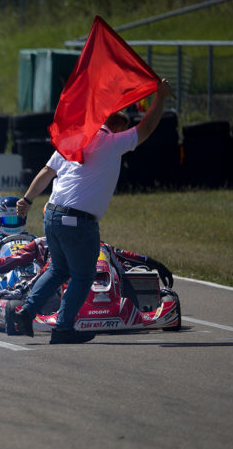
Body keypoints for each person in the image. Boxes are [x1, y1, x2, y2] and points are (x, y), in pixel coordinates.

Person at [14, 78, 174, 344]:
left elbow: (46, 172)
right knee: (83, 275)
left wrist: (27, 200)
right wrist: (161, 98)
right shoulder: (111, 143)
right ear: (117, 124)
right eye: (123, 123)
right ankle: (63, 329)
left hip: (52, 214)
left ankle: (26, 312)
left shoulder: (74, 138)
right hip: (77, 220)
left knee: (58, 270)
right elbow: (146, 128)